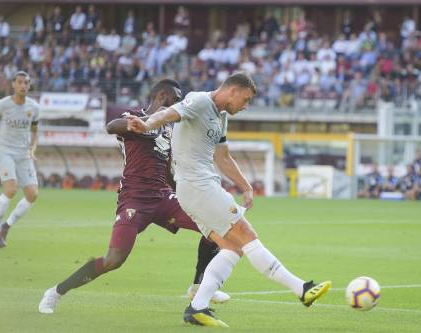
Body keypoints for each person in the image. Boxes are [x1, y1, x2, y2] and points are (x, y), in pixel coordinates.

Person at [127, 72, 331, 327]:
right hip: (197, 185)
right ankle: (302, 289)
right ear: (232, 90)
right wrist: (147, 124)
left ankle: (197, 307)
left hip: (200, 187)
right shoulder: (199, 101)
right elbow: (169, 114)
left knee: (232, 248)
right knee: (247, 235)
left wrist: (246, 186)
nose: (245, 107)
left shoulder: (221, 117)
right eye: (245, 100)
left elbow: (222, 157)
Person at [38, 79, 230, 314]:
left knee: (214, 228)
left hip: (163, 197)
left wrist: (181, 192)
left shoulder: (170, 128)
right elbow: (111, 126)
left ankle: (199, 286)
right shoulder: (134, 116)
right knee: (113, 260)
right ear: (161, 96)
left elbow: (168, 168)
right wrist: (141, 124)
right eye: (176, 98)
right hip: (134, 199)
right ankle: (56, 292)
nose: (180, 103)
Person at [0, 71, 40, 248]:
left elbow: (35, 132)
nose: (23, 86)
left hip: (23, 154)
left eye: (26, 83)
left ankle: (7, 226)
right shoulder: (2, 105)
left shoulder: (34, 107)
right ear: (13, 84)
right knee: (11, 188)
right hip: (4, 150)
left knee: (32, 194)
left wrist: (33, 148)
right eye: (20, 82)